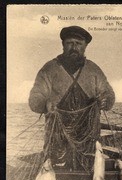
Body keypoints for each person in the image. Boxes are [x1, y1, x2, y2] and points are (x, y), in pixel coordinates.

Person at [29, 26, 115, 171]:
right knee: (55, 169)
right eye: (70, 43)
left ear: (85, 46)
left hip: (87, 137)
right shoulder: (50, 69)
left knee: (88, 167)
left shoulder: (94, 70)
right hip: (57, 136)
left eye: (78, 43)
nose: (74, 47)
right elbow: (34, 98)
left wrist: (106, 100)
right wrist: (44, 104)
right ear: (63, 45)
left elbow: (108, 93)